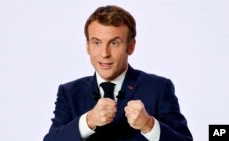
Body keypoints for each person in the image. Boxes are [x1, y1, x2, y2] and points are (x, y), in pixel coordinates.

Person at [43, 5, 192, 141]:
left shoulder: (158, 88)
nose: (104, 53)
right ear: (87, 46)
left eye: (114, 43)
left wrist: (149, 125)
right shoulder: (69, 92)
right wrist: (88, 121)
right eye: (96, 43)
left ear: (131, 46)